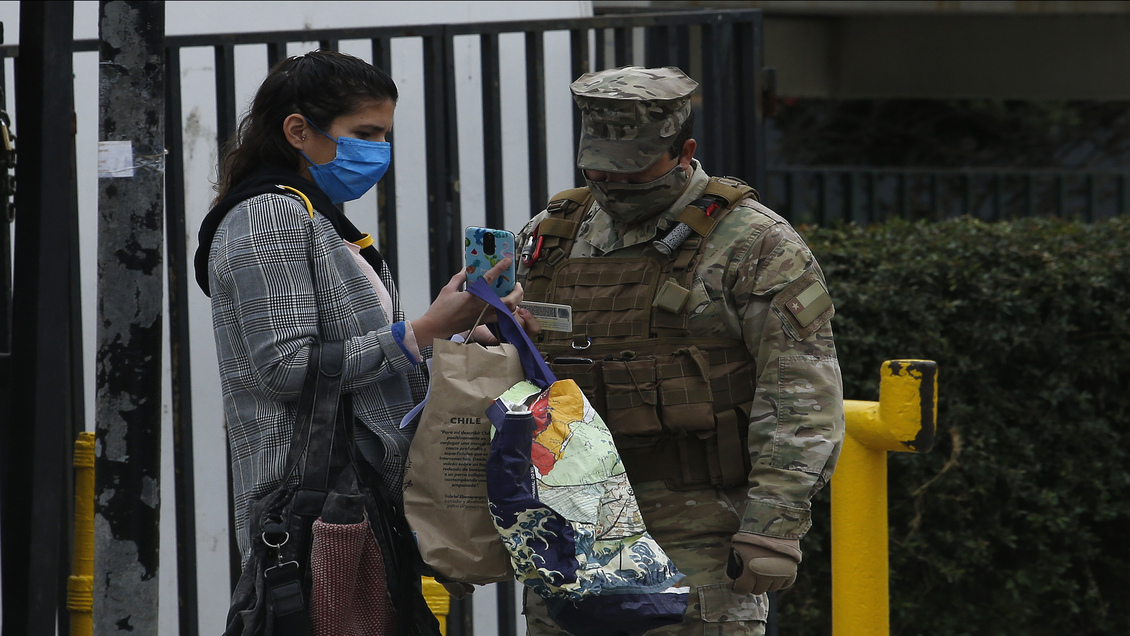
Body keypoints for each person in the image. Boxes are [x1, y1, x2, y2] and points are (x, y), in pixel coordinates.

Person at [515, 66, 844, 635]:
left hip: (698, 534)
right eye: (599, 166)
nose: (613, 182)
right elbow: (511, 379)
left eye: (633, 168)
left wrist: (773, 526)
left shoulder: (754, 242)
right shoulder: (552, 237)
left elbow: (801, 396)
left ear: (683, 150)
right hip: (571, 528)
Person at [193, 50, 535, 564]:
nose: (380, 149)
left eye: (384, 135)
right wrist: (419, 331)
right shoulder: (268, 216)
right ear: (297, 130)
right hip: (310, 508)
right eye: (366, 133)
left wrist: (454, 333)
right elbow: (285, 369)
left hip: (357, 498)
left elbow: (352, 358)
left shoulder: (317, 216)